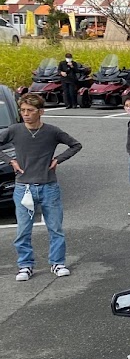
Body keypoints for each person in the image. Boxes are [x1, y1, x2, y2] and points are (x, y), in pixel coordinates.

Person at [0, 94, 82, 280]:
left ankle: (57, 263)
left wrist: (58, 159)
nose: (26, 114)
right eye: (23, 110)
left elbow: (75, 145)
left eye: (30, 110)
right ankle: (25, 266)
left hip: (49, 187)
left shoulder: (52, 131)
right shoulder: (14, 130)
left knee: (55, 229)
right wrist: (11, 161)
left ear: (41, 112)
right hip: (23, 188)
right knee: (23, 230)